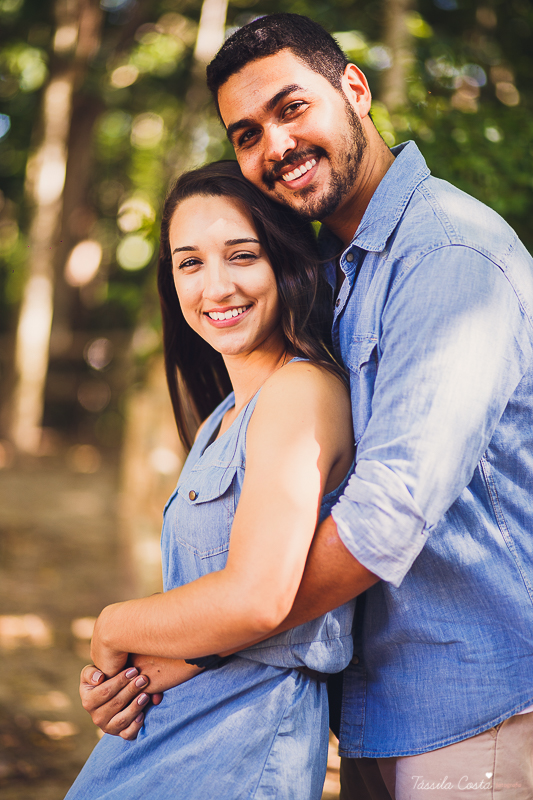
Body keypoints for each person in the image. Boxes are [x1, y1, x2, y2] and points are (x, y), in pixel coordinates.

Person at [81, 13, 533, 800]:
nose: (274, 146)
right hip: (377, 704)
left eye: (291, 109)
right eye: (245, 133)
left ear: (354, 89)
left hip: (477, 700)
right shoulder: (341, 275)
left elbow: (384, 515)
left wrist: (187, 645)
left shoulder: (446, 254)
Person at [68, 160, 357, 799]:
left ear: (286, 262)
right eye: (190, 263)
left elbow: (258, 599)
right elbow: (214, 613)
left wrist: (115, 626)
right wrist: (130, 682)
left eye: (242, 255)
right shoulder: (223, 418)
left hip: (237, 746)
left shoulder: (301, 392)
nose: (216, 286)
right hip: (173, 735)